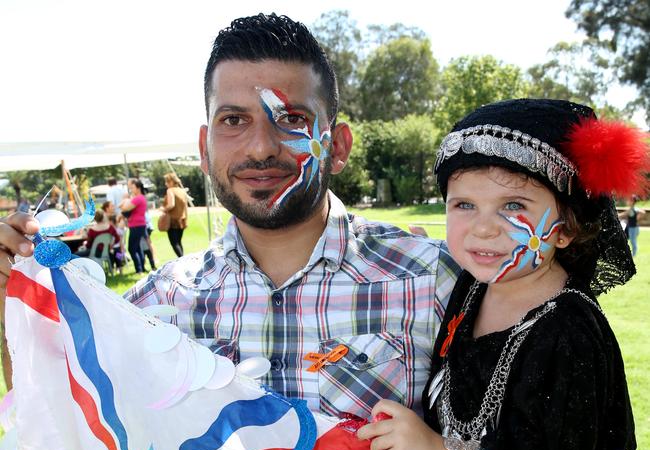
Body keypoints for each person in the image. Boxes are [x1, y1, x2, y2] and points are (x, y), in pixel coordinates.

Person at [0, 14, 458, 422]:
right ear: (204, 148)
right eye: (234, 121)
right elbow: (55, 417)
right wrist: (10, 303)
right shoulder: (157, 305)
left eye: (292, 117)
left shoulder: (434, 279)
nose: (261, 147)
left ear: (337, 146)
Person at [358, 99, 642, 450]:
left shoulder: (569, 335)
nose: (483, 228)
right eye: (464, 205)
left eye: (512, 206)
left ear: (567, 228)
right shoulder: (473, 285)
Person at [119, 178, 148, 275]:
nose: (131, 189)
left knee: (132, 248)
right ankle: (141, 268)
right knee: (137, 247)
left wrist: (124, 201)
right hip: (139, 225)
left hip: (136, 225)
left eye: (133, 187)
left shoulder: (138, 198)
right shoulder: (141, 197)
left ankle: (139, 269)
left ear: (138, 188)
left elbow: (124, 208)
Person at [159, 172, 189, 256]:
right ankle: (183, 259)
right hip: (181, 220)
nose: (166, 184)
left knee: (174, 243)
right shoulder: (182, 191)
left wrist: (163, 209)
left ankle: (182, 260)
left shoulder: (170, 190)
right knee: (179, 242)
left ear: (171, 181)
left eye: (167, 181)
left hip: (172, 221)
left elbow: (171, 204)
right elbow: (185, 207)